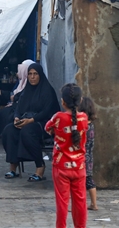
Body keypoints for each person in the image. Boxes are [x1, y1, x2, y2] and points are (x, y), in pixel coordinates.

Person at [1, 63, 60, 181]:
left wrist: (31, 120)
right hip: (25, 120)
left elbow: (47, 111)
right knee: (9, 130)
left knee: (28, 132)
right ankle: (13, 167)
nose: (32, 77)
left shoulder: (47, 91)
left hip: (43, 123)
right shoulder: (26, 91)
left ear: (40, 75)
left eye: (35, 74)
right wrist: (17, 118)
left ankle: (40, 166)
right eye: (30, 74)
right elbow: (18, 107)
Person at [45, 83, 89, 228]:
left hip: (61, 166)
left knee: (62, 203)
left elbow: (47, 128)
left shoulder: (58, 117)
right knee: (80, 201)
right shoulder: (84, 118)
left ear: (62, 101)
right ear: (80, 100)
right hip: (79, 166)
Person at [78, 97, 98, 211]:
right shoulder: (91, 125)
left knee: (75, 182)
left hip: (80, 157)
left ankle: (72, 205)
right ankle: (94, 204)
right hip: (89, 157)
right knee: (89, 180)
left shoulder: (82, 125)